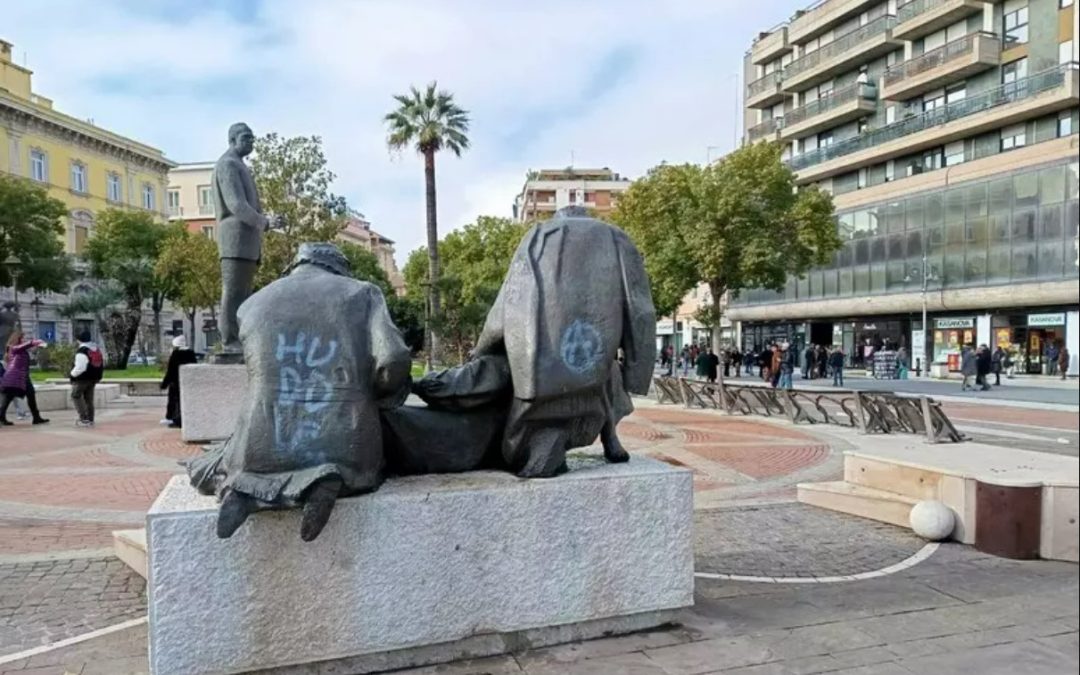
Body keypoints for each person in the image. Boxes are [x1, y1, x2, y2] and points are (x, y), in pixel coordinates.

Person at [0, 331, 49, 426]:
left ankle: (36, 417)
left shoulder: (20, 349)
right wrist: (33, 342)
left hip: (21, 377)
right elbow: (22, 347)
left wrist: (37, 347)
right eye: (22, 338)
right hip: (14, 377)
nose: (23, 340)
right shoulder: (13, 348)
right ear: (16, 339)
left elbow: (26, 350)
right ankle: (36, 417)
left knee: (27, 395)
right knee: (9, 397)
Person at [160, 334, 197, 428]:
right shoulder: (191, 353)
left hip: (175, 383)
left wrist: (164, 384)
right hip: (188, 383)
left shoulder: (175, 354)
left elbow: (170, 370)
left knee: (175, 402)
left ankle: (175, 420)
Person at [69, 331, 104, 427]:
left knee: (75, 395)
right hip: (94, 377)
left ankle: (84, 418)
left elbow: (80, 368)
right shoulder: (96, 348)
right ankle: (90, 418)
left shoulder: (82, 351)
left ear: (78, 340)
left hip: (82, 378)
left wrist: (72, 374)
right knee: (89, 398)